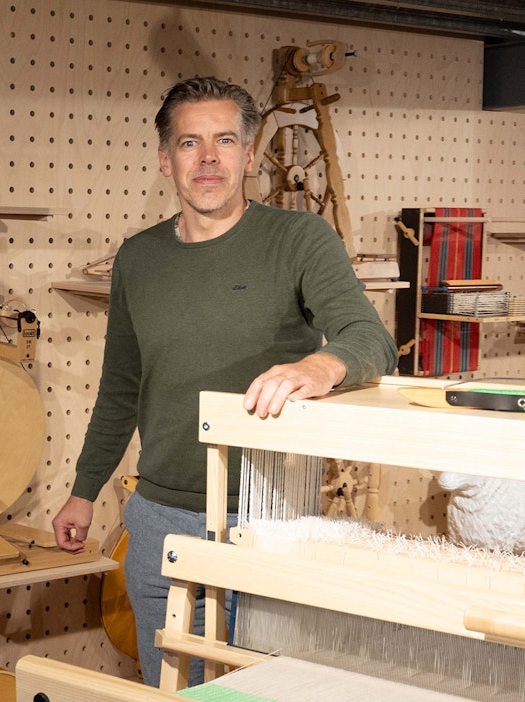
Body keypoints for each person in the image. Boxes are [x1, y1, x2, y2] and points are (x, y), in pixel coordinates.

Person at [51, 76, 397, 688]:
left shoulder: (299, 241)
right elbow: (121, 385)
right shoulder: (138, 258)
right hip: (157, 522)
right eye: (190, 143)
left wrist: (319, 367)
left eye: (225, 141)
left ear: (251, 154)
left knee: (256, 692)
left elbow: (372, 341)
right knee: (171, 689)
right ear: (165, 159)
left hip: (266, 525)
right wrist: (84, 489)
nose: (209, 159)